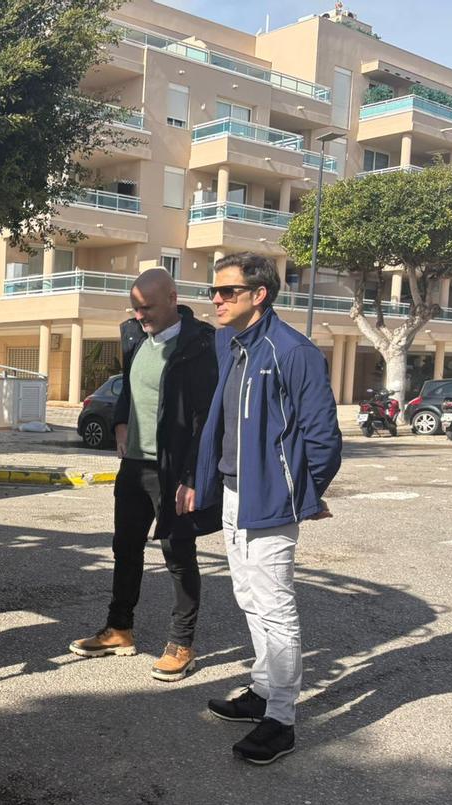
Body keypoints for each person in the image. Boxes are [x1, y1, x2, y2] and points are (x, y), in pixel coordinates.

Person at [193, 252, 342, 764]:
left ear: (258, 295)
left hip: (270, 499)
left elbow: (323, 437)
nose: (216, 299)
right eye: (214, 291)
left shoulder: (293, 351)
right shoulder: (232, 344)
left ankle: (281, 720)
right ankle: (261, 690)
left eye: (227, 291)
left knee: (275, 606)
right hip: (236, 492)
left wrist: (301, 494)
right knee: (249, 596)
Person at [68, 269, 219, 681]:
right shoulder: (135, 336)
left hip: (172, 469)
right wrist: (120, 421)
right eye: (135, 307)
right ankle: (119, 630)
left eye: (147, 307)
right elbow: (131, 389)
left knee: (178, 555)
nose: (140, 315)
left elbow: (206, 419)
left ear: (173, 298)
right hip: (134, 466)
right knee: (125, 549)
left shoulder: (199, 344)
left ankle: (181, 643)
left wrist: (192, 476)